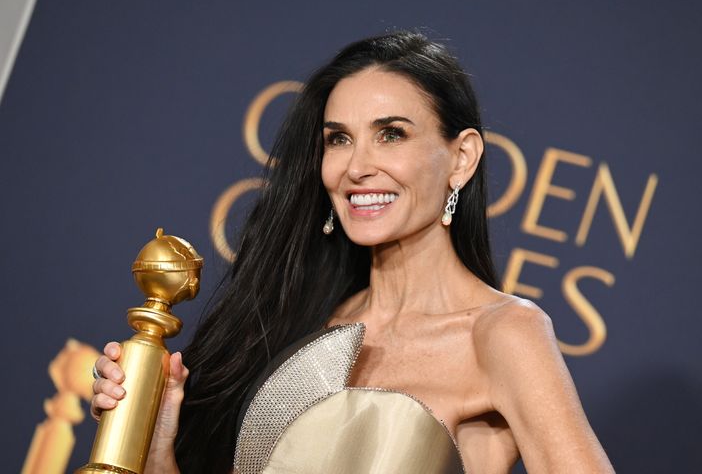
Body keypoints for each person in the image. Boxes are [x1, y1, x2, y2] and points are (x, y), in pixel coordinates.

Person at [90, 31, 614, 473]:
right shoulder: (303, 323)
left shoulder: (501, 335)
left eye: (390, 134)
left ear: (461, 158)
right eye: (338, 139)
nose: (356, 167)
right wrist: (156, 445)